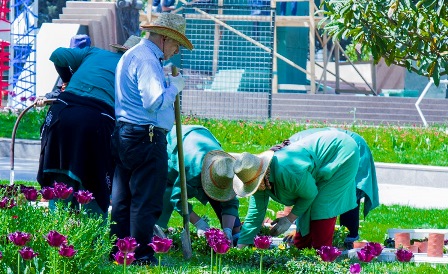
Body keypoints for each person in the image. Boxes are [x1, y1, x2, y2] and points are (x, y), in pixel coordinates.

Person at [109, 13, 193, 266]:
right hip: (146, 137)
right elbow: (154, 102)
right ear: (165, 38)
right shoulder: (147, 59)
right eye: (176, 44)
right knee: (145, 200)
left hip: (126, 133)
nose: (175, 51)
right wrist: (175, 87)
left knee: (123, 199)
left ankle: (120, 252)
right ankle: (141, 257)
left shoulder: (132, 54)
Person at [36, 35, 141, 220]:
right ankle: (91, 242)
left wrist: (68, 79)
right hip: (95, 122)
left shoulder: (94, 53)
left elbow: (57, 54)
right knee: (94, 183)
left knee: (60, 180)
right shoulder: (134, 69)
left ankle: (56, 239)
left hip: (62, 114)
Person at [234, 130, 360, 250]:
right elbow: (254, 216)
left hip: (340, 152)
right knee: (307, 212)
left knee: (321, 207)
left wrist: (289, 219)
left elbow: (310, 195)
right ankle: (304, 250)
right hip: (318, 160)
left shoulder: (287, 172)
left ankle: (323, 256)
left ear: (263, 175)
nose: (254, 188)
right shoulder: (255, 176)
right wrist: (241, 249)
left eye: (254, 184)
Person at [278, 127, 380, 249]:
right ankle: (337, 242)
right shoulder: (285, 157)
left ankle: (347, 241)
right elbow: (296, 191)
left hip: (351, 148)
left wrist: (295, 226)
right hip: (333, 148)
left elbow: (302, 191)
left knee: (346, 194)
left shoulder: (292, 155)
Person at [156, 125, 241, 244]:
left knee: (224, 202)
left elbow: (231, 202)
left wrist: (227, 230)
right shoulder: (191, 171)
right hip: (178, 142)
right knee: (166, 187)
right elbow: (177, 199)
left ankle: (234, 233)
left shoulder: (226, 169)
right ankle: (155, 231)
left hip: (202, 137)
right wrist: (199, 223)